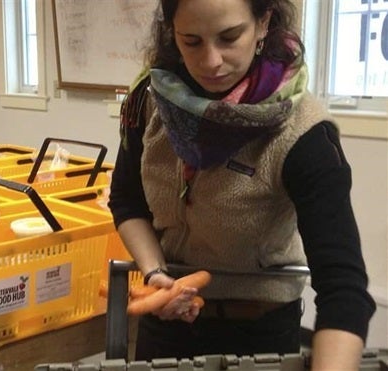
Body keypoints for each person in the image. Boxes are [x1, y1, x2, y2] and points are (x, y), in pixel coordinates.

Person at [107, 0, 376, 369]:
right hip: (166, 326)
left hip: (259, 336)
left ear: (263, 23)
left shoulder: (303, 133)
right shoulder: (151, 101)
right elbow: (127, 202)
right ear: (172, 32)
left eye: (229, 37)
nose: (211, 61)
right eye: (192, 41)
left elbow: (343, 290)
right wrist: (157, 275)